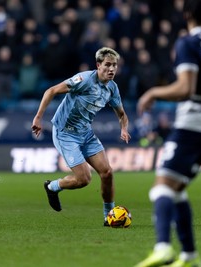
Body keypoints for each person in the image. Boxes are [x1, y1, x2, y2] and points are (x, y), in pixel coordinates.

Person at [134, 1, 201, 267]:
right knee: (177, 190)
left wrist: (154, 92)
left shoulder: (187, 43)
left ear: (187, 15)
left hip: (193, 124)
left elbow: (186, 88)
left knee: (161, 189)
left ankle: (163, 248)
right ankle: (190, 255)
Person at [31, 47, 131, 225]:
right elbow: (51, 91)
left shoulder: (112, 88)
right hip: (65, 133)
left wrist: (123, 128)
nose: (112, 69)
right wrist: (38, 117)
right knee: (84, 179)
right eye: (107, 65)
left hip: (86, 133)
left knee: (107, 173)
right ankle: (52, 187)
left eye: (114, 65)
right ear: (98, 65)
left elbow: (122, 114)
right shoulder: (84, 80)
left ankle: (108, 216)